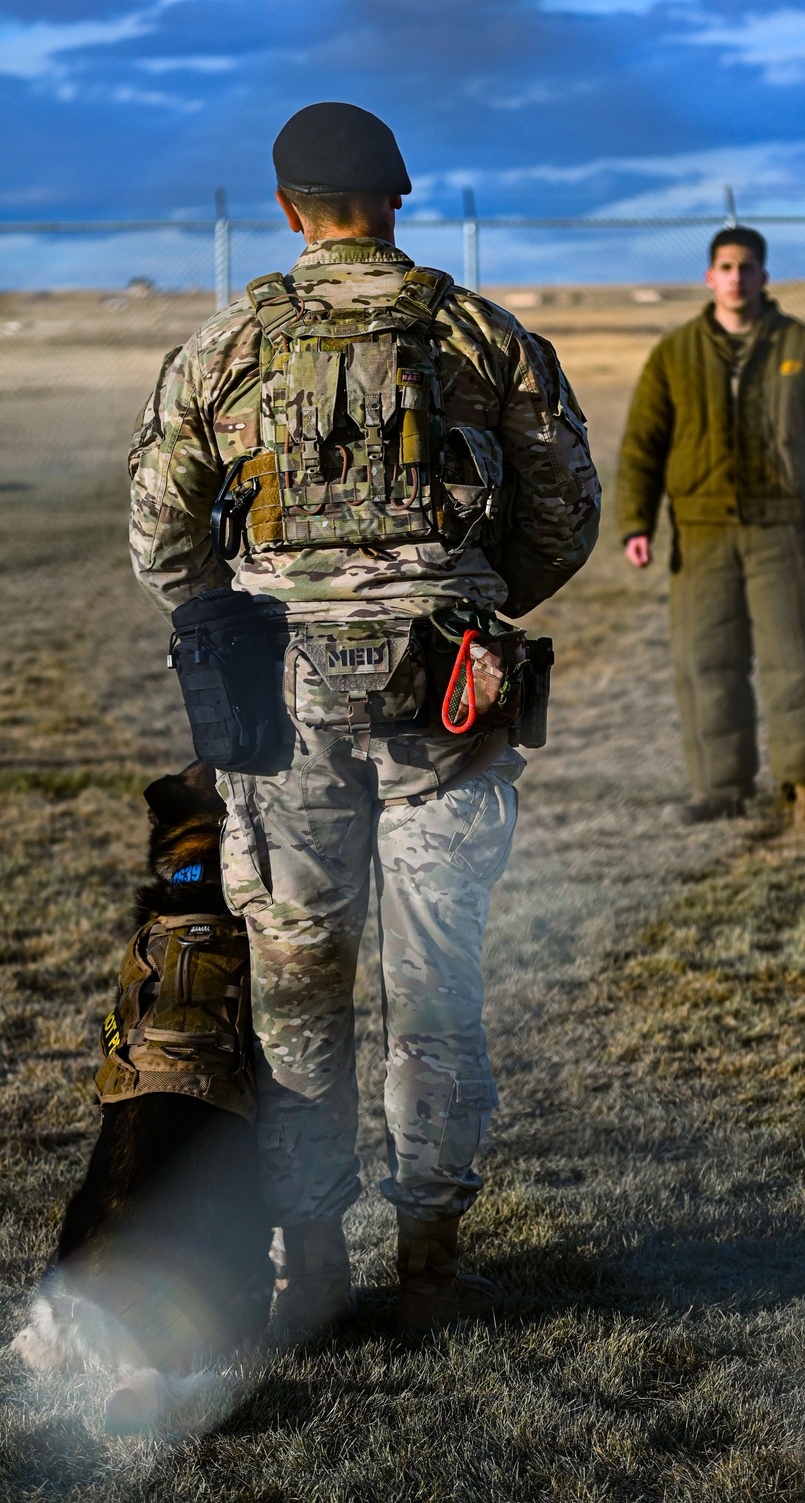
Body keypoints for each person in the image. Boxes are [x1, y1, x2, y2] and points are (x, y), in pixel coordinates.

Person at [128, 101, 600, 1334]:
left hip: (281, 720)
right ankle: (433, 1266)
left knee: (296, 992)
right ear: (399, 193)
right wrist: (463, 602)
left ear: (288, 210)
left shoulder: (222, 344)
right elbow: (565, 514)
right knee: (438, 995)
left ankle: (310, 1268)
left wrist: (252, 616)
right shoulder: (483, 338)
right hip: (453, 707)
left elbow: (160, 541)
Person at [617, 226, 805, 826]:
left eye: (747, 267)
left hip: (786, 532)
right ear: (709, 277)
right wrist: (636, 522)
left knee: (799, 661)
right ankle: (720, 790)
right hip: (701, 535)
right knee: (707, 662)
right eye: (725, 267)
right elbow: (642, 447)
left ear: (763, 277)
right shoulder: (675, 354)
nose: (736, 277)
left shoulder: (804, 348)